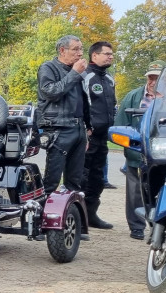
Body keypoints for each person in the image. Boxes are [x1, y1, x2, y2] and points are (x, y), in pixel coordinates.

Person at [115, 59, 166, 240]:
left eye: (157, 78)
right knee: (135, 193)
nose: (152, 82)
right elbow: (120, 124)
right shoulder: (133, 97)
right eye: (150, 78)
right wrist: (132, 148)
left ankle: (162, 226)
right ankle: (136, 227)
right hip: (138, 155)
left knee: (164, 191)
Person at [37, 35, 90, 195]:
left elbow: (83, 100)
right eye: (75, 49)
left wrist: (88, 127)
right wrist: (74, 73)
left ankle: (71, 215)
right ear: (62, 50)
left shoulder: (78, 72)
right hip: (58, 128)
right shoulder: (48, 68)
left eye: (81, 49)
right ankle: (44, 214)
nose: (80, 53)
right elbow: (51, 92)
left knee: (75, 179)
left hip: (78, 127)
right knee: (52, 179)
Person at [81, 41, 117, 228]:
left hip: (104, 136)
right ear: (94, 56)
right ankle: (79, 218)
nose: (110, 56)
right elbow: (80, 106)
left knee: (97, 178)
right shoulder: (84, 76)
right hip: (88, 136)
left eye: (111, 54)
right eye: (106, 53)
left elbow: (113, 107)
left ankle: (92, 214)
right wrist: (86, 129)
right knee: (82, 177)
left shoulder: (110, 79)